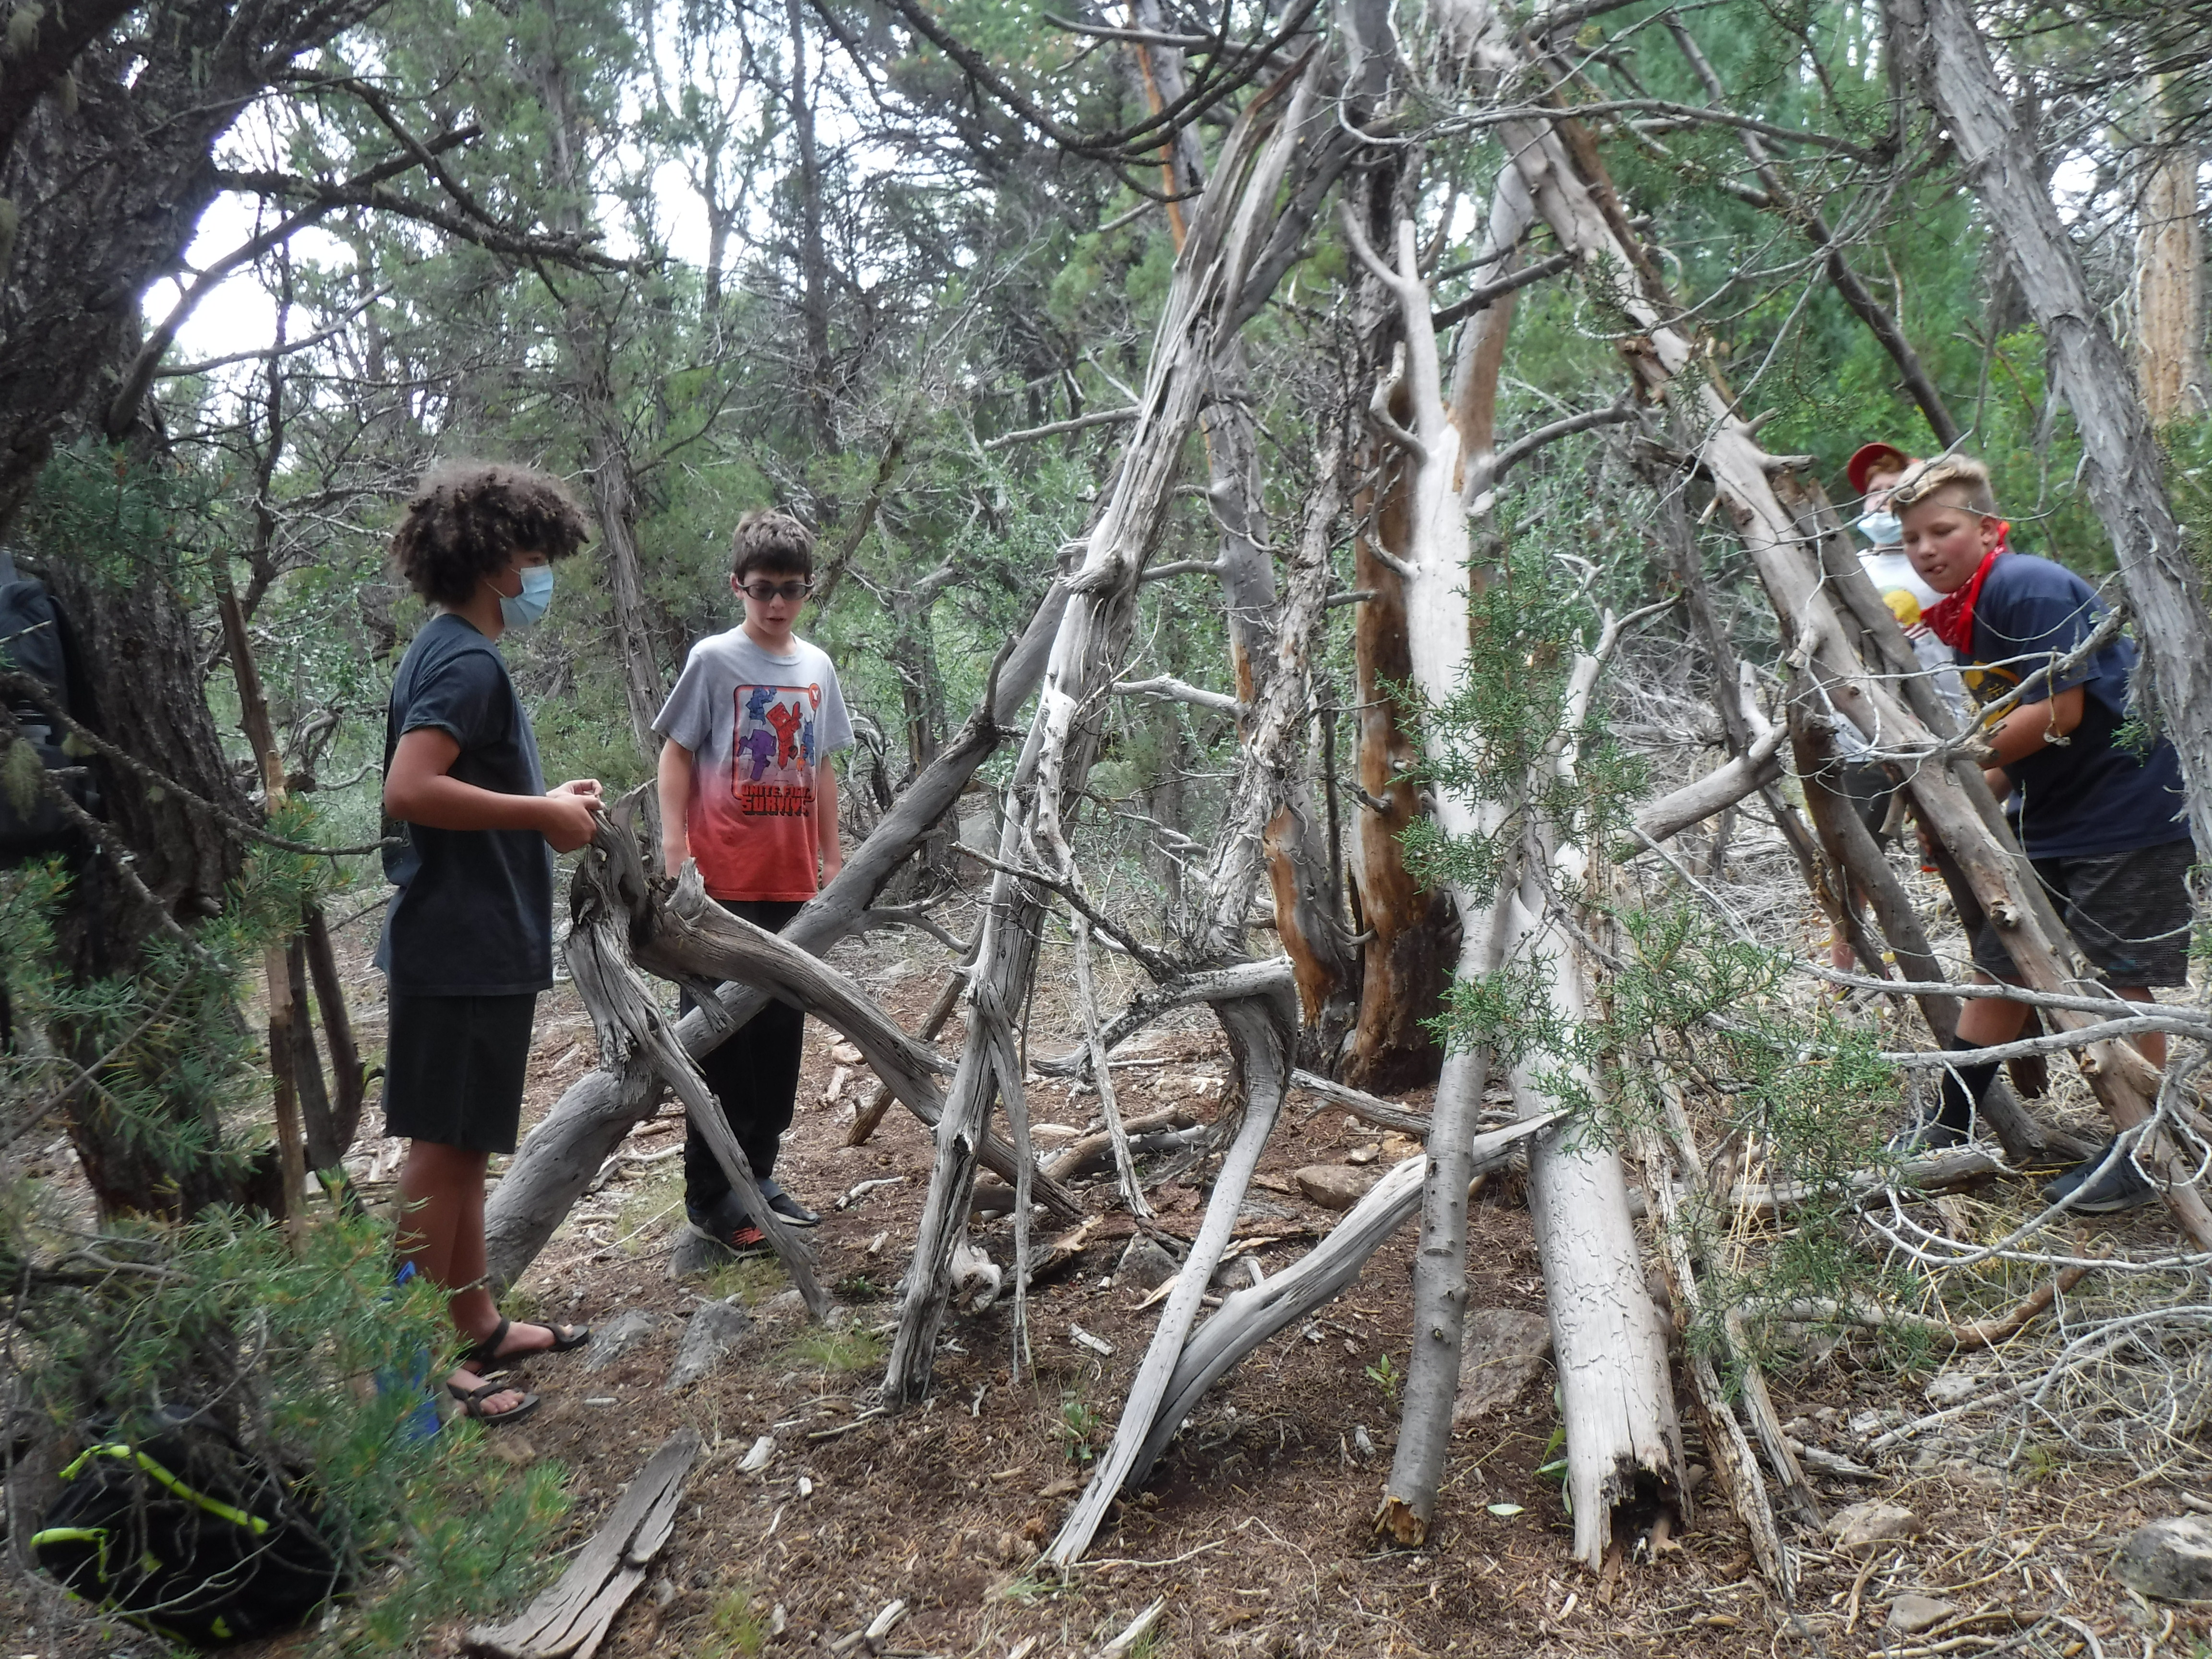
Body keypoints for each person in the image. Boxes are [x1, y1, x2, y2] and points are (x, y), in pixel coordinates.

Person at [1889, 454, 2193, 1212]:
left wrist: (1947, 767)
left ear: (1991, 529)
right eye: (1912, 540)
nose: (1926, 550)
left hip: (2125, 814)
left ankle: (2142, 1153)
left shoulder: (2026, 586)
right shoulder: (1966, 616)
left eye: (1943, 530)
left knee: (2124, 983)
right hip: (2055, 815)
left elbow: (2060, 713)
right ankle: (1950, 1125)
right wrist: (1964, 801)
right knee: (2001, 966)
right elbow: (2016, 742)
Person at [380, 461, 602, 1424]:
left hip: (479, 943)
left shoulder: (455, 651)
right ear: (490, 561)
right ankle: (414, 1364)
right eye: (533, 556)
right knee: (442, 1150)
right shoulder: (462, 660)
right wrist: (540, 817)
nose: (540, 573)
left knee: (467, 1146)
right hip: (459, 945)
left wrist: (548, 808)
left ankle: (475, 1321)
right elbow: (410, 787)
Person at [654, 510, 853, 1252]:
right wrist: (675, 848)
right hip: (718, 885)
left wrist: (834, 864)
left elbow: (823, 766)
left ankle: (759, 1176)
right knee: (717, 1042)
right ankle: (712, 1198)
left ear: (808, 590)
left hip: (789, 880)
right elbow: (676, 754)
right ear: (737, 585)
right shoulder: (714, 660)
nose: (776, 605)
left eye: (791, 591)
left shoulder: (816, 668)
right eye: (763, 589)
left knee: (778, 1042)